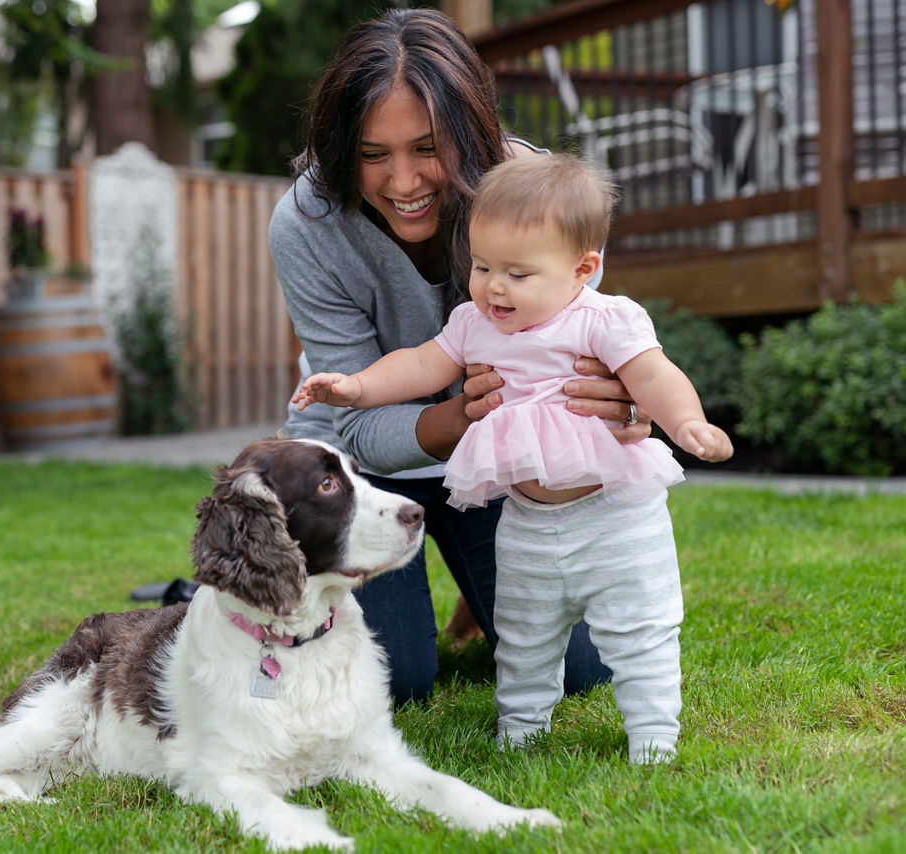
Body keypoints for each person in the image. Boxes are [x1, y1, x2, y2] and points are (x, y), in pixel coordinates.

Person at [269, 7, 653, 708]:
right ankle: (252, 579)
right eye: (371, 153)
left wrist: (621, 400)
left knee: (584, 671)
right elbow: (360, 429)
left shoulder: (536, 192)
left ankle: (488, 580)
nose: (404, 181)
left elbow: (592, 358)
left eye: (427, 147)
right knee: (398, 682)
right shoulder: (307, 222)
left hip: (500, 463)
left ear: (470, 133)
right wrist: (459, 416)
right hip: (368, 465)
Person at [293, 152, 733, 762]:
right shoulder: (475, 323)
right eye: (481, 266)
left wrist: (686, 420)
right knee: (524, 636)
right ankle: (520, 728)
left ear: (583, 269)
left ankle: (653, 735)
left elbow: (653, 373)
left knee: (638, 632)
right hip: (525, 520)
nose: (495, 286)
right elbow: (421, 364)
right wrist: (357, 387)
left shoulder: (601, 319)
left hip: (614, 519)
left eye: (518, 274)